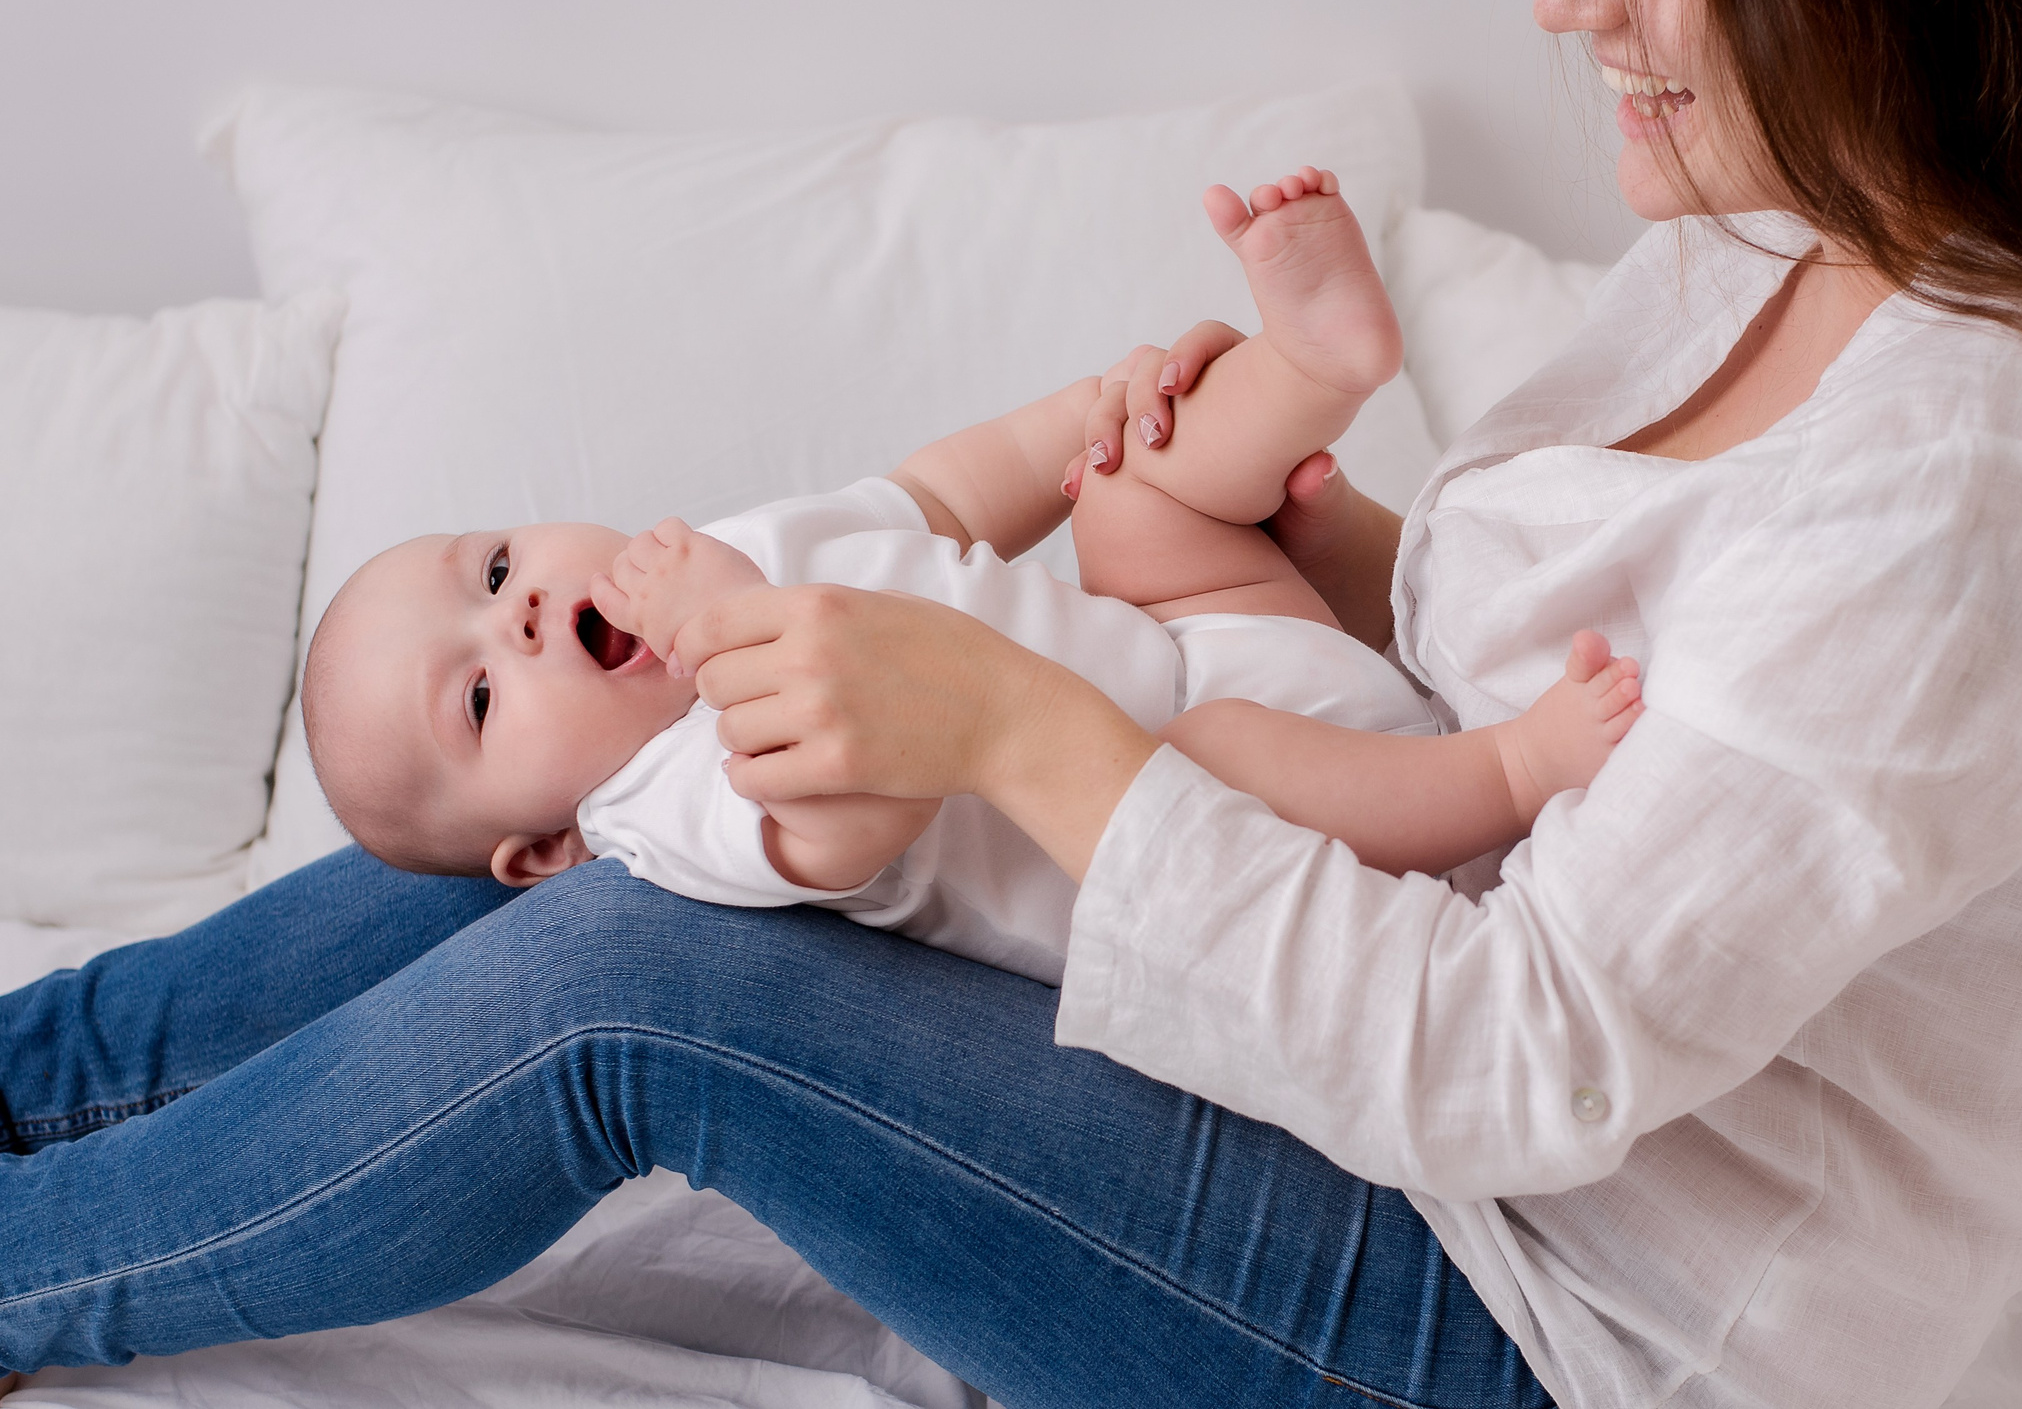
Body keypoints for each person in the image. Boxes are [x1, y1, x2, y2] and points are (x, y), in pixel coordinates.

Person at [0, 0, 2022, 1405]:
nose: (1567, 0)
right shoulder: (1773, 241)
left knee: (646, 971)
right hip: (1369, 1054)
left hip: (1540, 1319)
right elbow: (1586, 677)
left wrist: (1024, 725)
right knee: (586, 771)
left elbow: (1520, 1054)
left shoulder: (1996, 476)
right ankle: (34, 1077)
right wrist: (1307, 546)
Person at [296, 168, 1639, 978]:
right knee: (1215, 745)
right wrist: (720, 630)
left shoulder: (733, 545)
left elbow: (939, 495)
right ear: (543, 848)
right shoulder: (665, 808)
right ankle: (1511, 774)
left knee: (1126, 497)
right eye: (477, 696)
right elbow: (858, 815)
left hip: (1193, 637)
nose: (517, 614)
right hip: (1214, 826)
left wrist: (1095, 414)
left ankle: (1316, 363)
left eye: (491, 566)